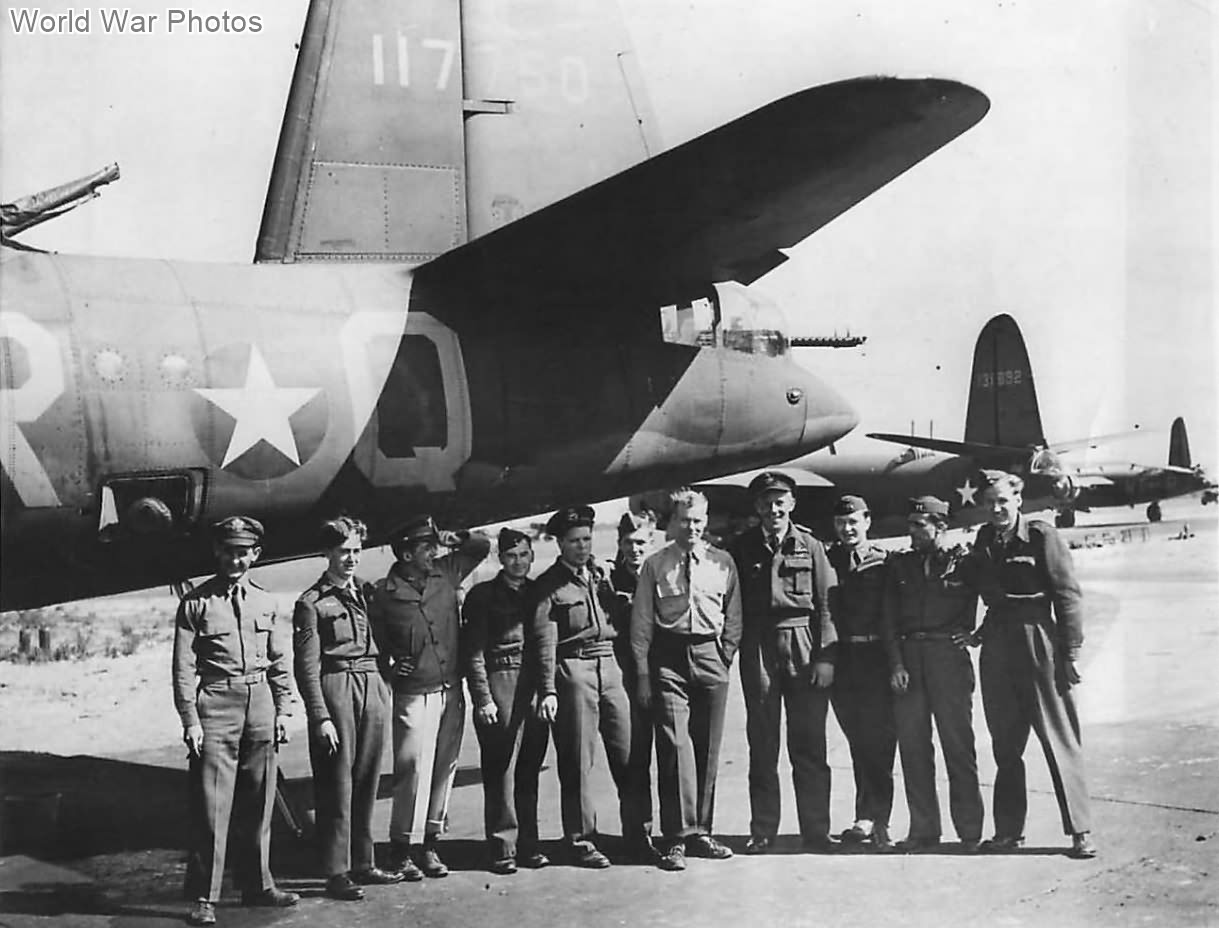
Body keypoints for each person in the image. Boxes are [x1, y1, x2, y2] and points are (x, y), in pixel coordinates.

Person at [172, 516, 299, 926]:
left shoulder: (267, 602)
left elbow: (280, 662)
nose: (236, 559)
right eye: (229, 551)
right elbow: (182, 670)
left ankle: (258, 884)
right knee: (213, 805)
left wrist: (284, 709)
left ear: (255, 555)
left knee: (260, 802)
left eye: (243, 552)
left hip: (259, 701)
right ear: (217, 552)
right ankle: (205, 898)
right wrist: (191, 720)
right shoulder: (195, 604)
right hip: (216, 703)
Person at [972, 471, 1097, 859]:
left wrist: (1070, 651)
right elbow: (991, 595)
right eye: (990, 502)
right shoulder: (984, 538)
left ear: (1018, 500)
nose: (997, 509)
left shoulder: (1042, 535)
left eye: (1003, 501)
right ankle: (1009, 831)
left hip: (1038, 638)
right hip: (998, 644)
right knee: (1005, 743)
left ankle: (1081, 830)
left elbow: (1067, 594)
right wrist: (978, 633)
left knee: (1057, 736)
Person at [371, 515, 491, 879]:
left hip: (451, 691)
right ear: (406, 554)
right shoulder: (383, 593)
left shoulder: (447, 571)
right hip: (414, 694)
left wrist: (457, 534)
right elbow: (372, 643)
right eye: (426, 547)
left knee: (444, 768)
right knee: (411, 769)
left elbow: (481, 546)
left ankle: (430, 844)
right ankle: (401, 848)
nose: (433, 551)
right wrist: (390, 671)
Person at [529, 504, 645, 869]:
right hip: (573, 668)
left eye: (587, 539)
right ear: (560, 543)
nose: (582, 546)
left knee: (630, 754)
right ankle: (581, 840)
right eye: (575, 540)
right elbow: (544, 641)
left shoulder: (602, 575)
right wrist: (548, 688)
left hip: (611, 666)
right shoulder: (548, 585)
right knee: (577, 760)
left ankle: (638, 835)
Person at [293, 517, 403, 900]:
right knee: (336, 782)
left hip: (372, 684)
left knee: (368, 777)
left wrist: (384, 684)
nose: (351, 558)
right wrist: (320, 716)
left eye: (356, 551)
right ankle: (335, 871)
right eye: (343, 552)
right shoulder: (312, 603)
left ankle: (363, 862)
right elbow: (306, 666)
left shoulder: (369, 595)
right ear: (327, 553)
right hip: (336, 686)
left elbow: (385, 641)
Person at [632, 488, 741, 872]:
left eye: (697, 521)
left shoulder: (722, 563)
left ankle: (702, 832)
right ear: (672, 522)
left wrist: (724, 657)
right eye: (684, 520)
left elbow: (734, 616)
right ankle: (676, 837)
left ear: (705, 522)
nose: (691, 527)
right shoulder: (655, 565)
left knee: (707, 746)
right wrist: (645, 675)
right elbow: (642, 624)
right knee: (674, 745)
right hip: (669, 658)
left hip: (710, 655)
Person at [729, 471, 838, 853]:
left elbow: (827, 604)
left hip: (803, 643)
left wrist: (826, 657)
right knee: (762, 743)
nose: (773, 509)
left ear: (792, 504)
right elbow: (733, 605)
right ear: (756, 507)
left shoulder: (810, 545)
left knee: (809, 743)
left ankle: (817, 831)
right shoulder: (741, 547)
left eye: (780, 501)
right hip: (759, 645)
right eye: (765, 502)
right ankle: (763, 831)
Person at [880, 497, 984, 853]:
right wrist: (895, 664)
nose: (911, 532)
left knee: (958, 747)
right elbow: (889, 620)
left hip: (948, 660)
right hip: (909, 660)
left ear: (940, 527)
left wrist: (977, 635)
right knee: (913, 748)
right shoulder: (901, 566)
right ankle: (923, 830)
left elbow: (1000, 598)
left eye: (919, 525)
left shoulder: (964, 563)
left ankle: (969, 832)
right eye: (910, 524)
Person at [462, 528, 553, 874]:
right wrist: (483, 699)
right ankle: (503, 847)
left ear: (532, 556)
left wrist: (547, 691)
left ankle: (530, 845)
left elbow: (545, 646)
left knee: (530, 768)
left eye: (525, 555)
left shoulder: (538, 593)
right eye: (511, 556)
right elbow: (474, 652)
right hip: (500, 680)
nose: (519, 562)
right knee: (501, 769)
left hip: (531, 684)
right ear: (500, 558)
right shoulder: (483, 596)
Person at [826, 495, 896, 851]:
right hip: (843, 659)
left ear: (867, 521)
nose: (848, 529)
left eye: (854, 521)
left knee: (880, 743)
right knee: (857, 740)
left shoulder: (884, 562)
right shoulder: (827, 560)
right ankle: (864, 816)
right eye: (841, 523)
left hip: (875, 658)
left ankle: (879, 820)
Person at [608, 510, 661, 862]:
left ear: (651, 542)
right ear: (619, 544)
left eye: (641, 542)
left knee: (673, 755)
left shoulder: (664, 574)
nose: (635, 549)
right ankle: (638, 834)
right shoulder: (608, 582)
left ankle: (679, 831)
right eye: (628, 543)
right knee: (632, 757)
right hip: (627, 677)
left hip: (667, 674)